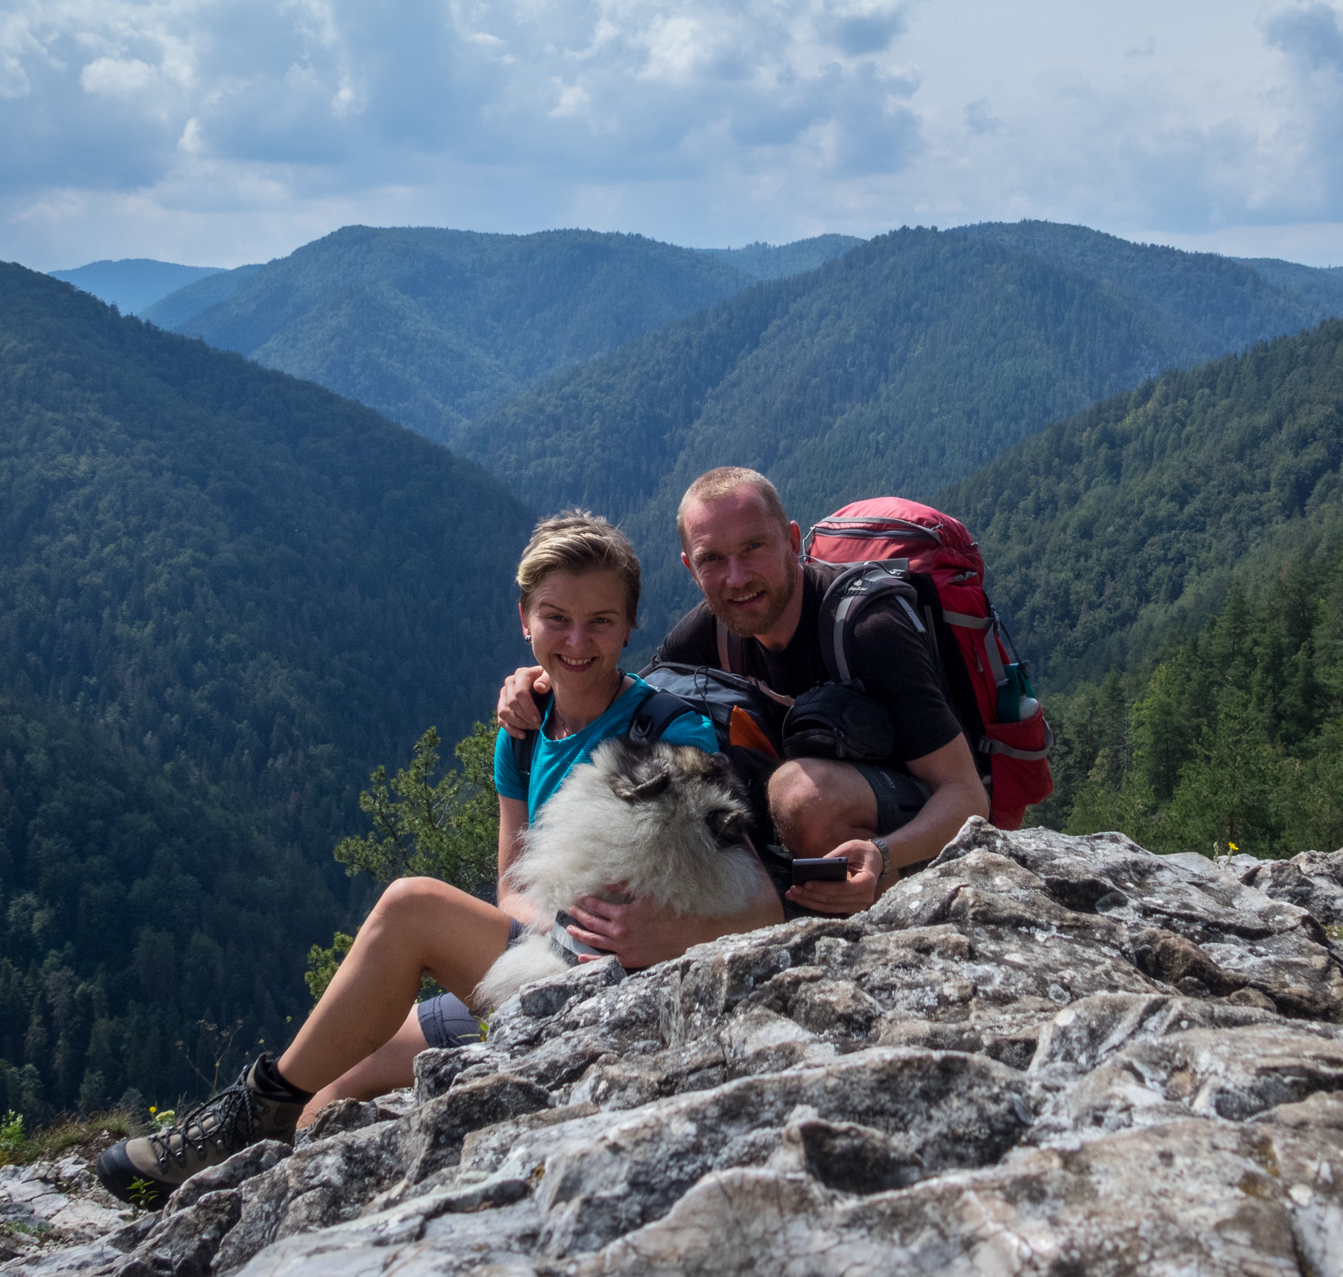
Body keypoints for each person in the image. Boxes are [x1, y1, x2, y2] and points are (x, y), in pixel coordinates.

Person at [95, 512, 783, 1206]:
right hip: (544, 959)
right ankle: (221, 1178)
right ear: (524, 619)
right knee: (328, 1085)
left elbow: (763, 907)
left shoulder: (668, 731)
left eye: (601, 621)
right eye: (556, 619)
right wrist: (543, 926)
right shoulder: (519, 737)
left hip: (624, 983)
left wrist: (667, 934)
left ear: (631, 625)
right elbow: (511, 887)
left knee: (411, 906)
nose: (577, 642)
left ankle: (243, 1115)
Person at [500, 468, 989, 917]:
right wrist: (542, 680)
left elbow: (967, 795)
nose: (736, 578)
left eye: (753, 547)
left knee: (801, 794)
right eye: (713, 559)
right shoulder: (710, 632)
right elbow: (619, 690)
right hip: (809, 842)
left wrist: (886, 855)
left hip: (916, 824)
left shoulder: (867, 631)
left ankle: (886, 931)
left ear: (792, 541)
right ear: (691, 568)